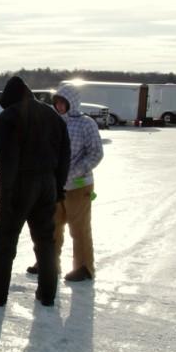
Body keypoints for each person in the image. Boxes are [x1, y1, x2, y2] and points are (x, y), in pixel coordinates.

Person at [0, 76, 70, 307]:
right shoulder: (51, 115)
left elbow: (6, 161)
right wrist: (58, 187)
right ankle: (47, 295)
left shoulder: (9, 117)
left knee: (4, 241)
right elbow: (65, 155)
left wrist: (6, 195)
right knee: (46, 241)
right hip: (47, 183)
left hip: (20, 184)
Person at [28, 84, 104, 281]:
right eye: (57, 103)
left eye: (63, 103)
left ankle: (84, 267)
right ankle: (49, 262)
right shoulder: (52, 122)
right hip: (54, 185)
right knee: (52, 227)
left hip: (78, 186)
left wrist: (73, 172)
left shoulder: (86, 123)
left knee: (79, 230)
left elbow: (96, 153)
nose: (59, 106)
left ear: (73, 103)